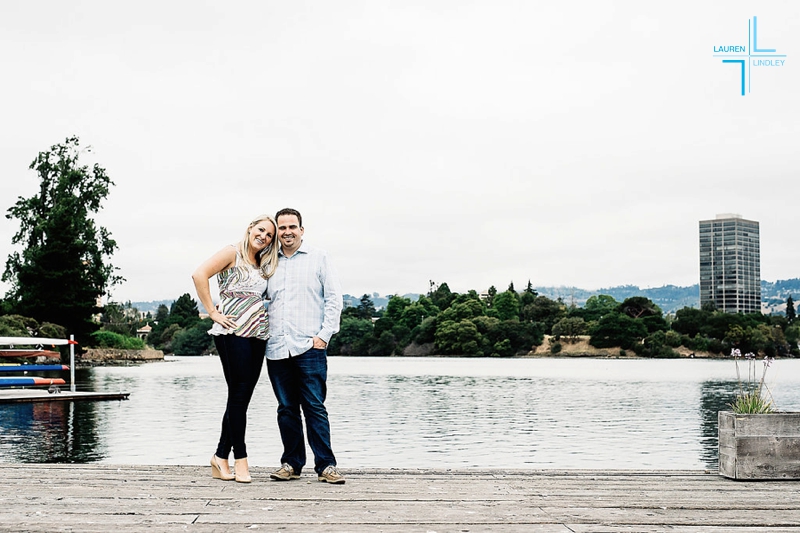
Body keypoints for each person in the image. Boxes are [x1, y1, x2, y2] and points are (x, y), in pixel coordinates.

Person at [192, 214, 279, 483]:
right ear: (251, 227)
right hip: (232, 330)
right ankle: (240, 459)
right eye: (261, 230)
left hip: (257, 332)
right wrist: (212, 312)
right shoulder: (233, 252)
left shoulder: (263, 261)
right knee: (239, 395)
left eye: (269, 236)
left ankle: (220, 456)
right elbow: (199, 274)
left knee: (240, 397)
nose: (264, 237)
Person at [265, 207, 345, 484]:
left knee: (314, 406)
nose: (287, 232)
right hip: (276, 347)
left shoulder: (319, 258)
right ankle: (291, 464)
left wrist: (324, 336)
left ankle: (326, 466)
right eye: (282, 227)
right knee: (286, 408)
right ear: (277, 231)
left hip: (310, 346)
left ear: (301, 229)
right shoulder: (267, 262)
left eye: (292, 227)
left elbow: (334, 299)